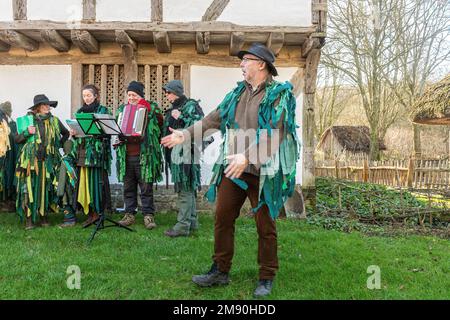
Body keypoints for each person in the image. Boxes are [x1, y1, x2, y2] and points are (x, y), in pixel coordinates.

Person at [162, 43, 299, 297]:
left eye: (245, 60)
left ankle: (266, 275)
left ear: (261, 64)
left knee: (265, 225)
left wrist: (247, 158)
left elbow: (275, 132)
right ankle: (220, 271)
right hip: (233, 169)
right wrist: (185, 135)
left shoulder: (280, 94)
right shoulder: (237, 93)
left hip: (263, 171)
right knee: (223, 217)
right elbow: (213, 119)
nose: (241, 64)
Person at [15, 94, 69, 230]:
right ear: (37, 108)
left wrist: (58, 146)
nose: (47, 107)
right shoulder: (28, 120)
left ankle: (43, 216)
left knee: (45, 188)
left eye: (48, 105)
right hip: (30, 162)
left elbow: (66, 133)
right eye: (44, 105)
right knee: (28, 189)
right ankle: (29, 219)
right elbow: (17, 139)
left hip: (47, 162)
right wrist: (27, 132)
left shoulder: (54, 121)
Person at [116, 81, 164, 229]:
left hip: (144, 155)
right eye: (129, 95)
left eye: (134, 95)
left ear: (141, 95)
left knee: (146, 188)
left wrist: (144, 105)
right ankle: (129, 214)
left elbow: (160, 121)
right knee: (128, 187)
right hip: (126, 156)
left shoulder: (150, 107)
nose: (131, 98)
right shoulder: (122, 110)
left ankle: (148, 216)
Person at [162, 80, 205, 237]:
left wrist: (181, 117)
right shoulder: (174, 108)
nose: (167, 95)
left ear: (177, 92)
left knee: (185, 188)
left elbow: (199, 126)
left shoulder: (190, 106)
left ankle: (182, 226)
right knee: (188, 187)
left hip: (186, 154)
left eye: (169, 92)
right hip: (176, 154)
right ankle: (192, 222)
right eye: (166, 92)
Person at [66, 84, 112, 227]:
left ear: (95, 96)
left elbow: (108, 132)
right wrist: (73, 133)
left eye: (89, 95)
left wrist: (96, 132)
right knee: (85, 183)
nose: (86, 98)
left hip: (96, 154)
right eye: (84, 96)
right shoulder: (79, 112)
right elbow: (77, 136)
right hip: (82, 153)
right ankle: (89, 212)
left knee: (96, 183)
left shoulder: (102, 110)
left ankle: (98, 213)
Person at [0, 101, 19, 212]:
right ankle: (5, 201)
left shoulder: (13, 125)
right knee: (5, 176)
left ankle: (7, 201)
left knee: (7, 175)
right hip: (5, 156)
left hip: (10, 156)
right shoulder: (8, 125)